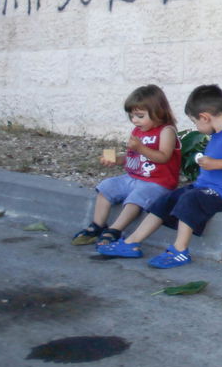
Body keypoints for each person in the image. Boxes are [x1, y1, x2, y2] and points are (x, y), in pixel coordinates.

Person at [97, 84, 222, 268]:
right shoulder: (218, 133)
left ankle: (180, 250)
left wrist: (216, 164)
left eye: (195, 123)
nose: (197, 126)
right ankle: (131, 243)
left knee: (189, 200)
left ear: (205, 117)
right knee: (167, 200)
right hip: (203, 188)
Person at [71, 85, 181, 246]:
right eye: (132, 116)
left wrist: (141, 148)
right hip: (133, 177)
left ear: (158, 112)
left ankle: (115, 230)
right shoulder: (138, 131)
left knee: (135, 199)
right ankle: (97, 225)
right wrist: (117, 159)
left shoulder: (166, 131)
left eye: (140, 116)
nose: (135, 120)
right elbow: (133, 156)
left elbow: (164, 157)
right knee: (106, 187)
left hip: (158, 182)